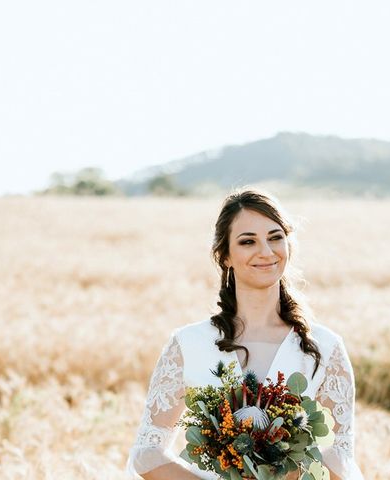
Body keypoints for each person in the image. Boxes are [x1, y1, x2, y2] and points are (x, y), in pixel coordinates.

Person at [125, 187, 364, 480]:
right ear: (225, 256)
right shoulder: (189, 345)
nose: (266, 251)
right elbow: (146, 453)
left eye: (275, 238)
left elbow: (342, 455)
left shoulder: (324, 348)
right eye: (248, 241)